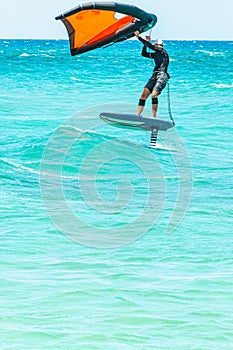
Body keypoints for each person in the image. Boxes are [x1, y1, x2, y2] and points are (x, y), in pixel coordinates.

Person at [134, 30, 170, 118]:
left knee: (154, 95)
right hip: (154, 76)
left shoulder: (162, 51)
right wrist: (146, 42)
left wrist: (139, 37)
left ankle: (154, 117)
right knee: (143, 95)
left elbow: (150, 46)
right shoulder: (156, 54)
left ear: (158, 45)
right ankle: (137, 116)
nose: (153, 46)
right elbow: (144, 54)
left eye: (155, 45)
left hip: (162, 75)